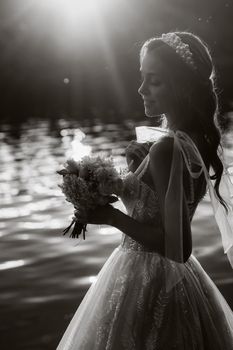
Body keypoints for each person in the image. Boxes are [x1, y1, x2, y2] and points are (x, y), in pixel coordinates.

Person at [57, 31, 233, 349]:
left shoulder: (168, 148)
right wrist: (134, 172)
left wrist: (110, 217)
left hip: (150, 282)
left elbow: (178, 249)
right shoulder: (186, 140)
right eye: (142, 78)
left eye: (155, 81)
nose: (141, 89)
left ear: (181, 86)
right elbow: (152, 211)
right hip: (173, 279)